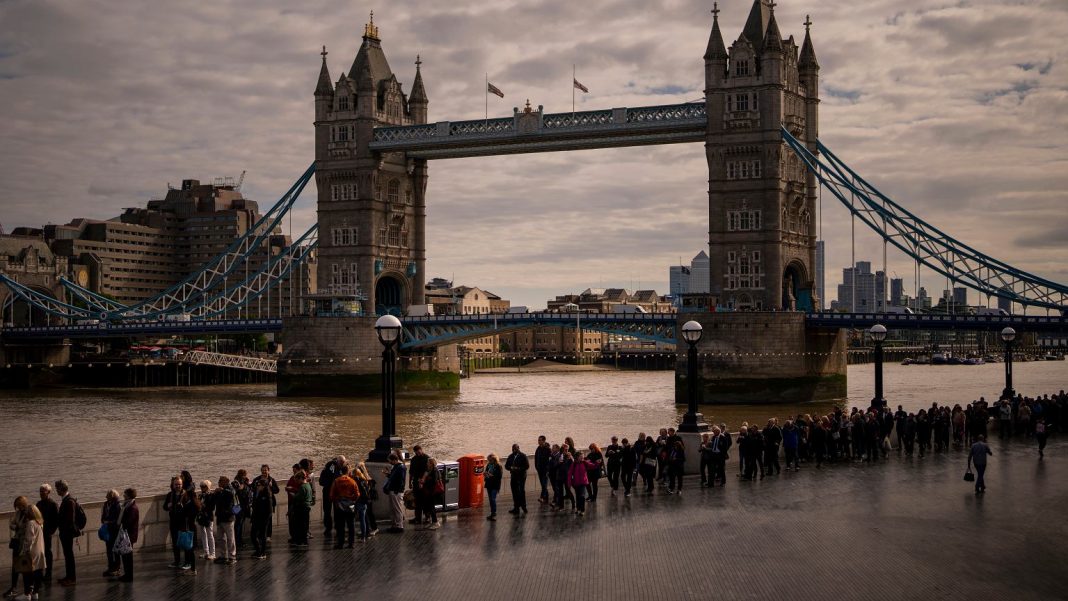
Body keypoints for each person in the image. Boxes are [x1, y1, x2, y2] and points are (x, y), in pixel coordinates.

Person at [15, 500, 45, 600]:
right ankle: (35, 593)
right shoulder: (40, 522)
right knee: (38, 572)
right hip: (40, 550)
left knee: (27, 573)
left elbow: (29, 539)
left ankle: (27, 594)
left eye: (27, 511)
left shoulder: (31, 523)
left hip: (31, 552)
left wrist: (24, 551)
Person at [54, 480, 80, 587]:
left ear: (61, 489)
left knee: (69, 555)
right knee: (68, 555)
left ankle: (72, 578)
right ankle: (68, 576)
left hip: (67, 533)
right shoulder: (67, 500)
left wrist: (64, 528)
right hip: (65, 533)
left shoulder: (69, 501)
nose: (56, 490)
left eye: (57, 488)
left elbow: (70, 519)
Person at [5, 496, 29, 599]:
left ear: (22, 504)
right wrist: (16, 527)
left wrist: (18, 527)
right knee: (15, 566)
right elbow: (11, 524)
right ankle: (13, 588)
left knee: (24, 568)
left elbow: (28, 529)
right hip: (17, 543)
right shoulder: (18, 513)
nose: (17, 508)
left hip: (24, 544)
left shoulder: (28, 514)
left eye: (18, 506)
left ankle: (27, 591)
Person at [329, 465, 359, 548]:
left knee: (340, 525)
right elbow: (357, 494)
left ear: (341, 472)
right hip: (350, 506)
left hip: (340, 506)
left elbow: (331, 495)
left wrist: (337, 500)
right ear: (348, 472)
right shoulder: (352, 481)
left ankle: (340, 543)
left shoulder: (336, 481)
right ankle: (351, 543)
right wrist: (352, 500)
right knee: (351, 525)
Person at [114, 488, 139, 582]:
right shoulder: (127, 505)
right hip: (126, 535)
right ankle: (127, 575)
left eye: (125, 494)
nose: (123, 496)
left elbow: (128, 522)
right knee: (125, 556)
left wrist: (122, 524)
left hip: (129, 536)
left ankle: (129, 576)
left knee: (128, 557)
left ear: (128, 495)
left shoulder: (132, 507)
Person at [35, 485, 58, 582]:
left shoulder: (53, 504)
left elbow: (56, 519)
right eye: (40, 491)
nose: (41, 493)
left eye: (43, 491)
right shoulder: (38, 504)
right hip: (39, 532)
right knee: (40, 553)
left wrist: (51, 531)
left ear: (48, 492)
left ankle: (48, 573)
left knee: (48, 552)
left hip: (47, 532)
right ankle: (40, 573)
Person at [250, 465, 279, 541]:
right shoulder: (257, 479)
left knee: (268, 520)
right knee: (259, 520)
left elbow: (277, 490)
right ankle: (260, 535)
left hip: (268, 503)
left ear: (268, 471)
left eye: (265, 470)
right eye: (262, 470)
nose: (264, 472)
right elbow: (252, 488)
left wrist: (271, 487)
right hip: (258, 504)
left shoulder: (271, 480)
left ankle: (268, 536)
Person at [177, 483, 201, 574]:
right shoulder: (196, 502)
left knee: (190, 548)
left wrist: (180, 507)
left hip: (188, 527)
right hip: (192, 526)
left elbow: (182, 515)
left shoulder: (189, 504)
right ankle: (193, 568)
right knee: (191, 548)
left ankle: (193, 568)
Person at [214, 476, 237, 564]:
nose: (219, 482)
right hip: (220, 518)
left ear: (226, 482)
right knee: (220, 538)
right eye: (219, 481)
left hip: (229, 518)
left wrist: (222, 490)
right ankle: (223, 556)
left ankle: (232, 557)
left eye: (221, 481)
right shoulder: (219, 491)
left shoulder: (230, 489)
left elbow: (232, 493)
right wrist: (215, 493)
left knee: (230, 539)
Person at [318, 456, 342, 539]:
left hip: (327, 491)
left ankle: (328, 528)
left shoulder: (328, 466)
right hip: (337, 493)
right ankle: (337, 528)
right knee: (337, 511)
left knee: (327, 511)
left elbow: (321, 480)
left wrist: (327, 485)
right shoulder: (341, 468)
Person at [383, 453, 407, 533]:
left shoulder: (400, 468)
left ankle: (399, 526)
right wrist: (388, 474)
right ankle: (394, 525)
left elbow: (401, 481)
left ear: (394, 460)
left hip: (396, 491)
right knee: (393, 509)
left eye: (390, 461)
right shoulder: (397, 467)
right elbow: (395, 477)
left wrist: (397, 491)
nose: (389, 462)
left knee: (397, 509)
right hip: (393, 490)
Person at [354, 463, 378, 540]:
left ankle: (372, 529)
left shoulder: (363, 479)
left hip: (366, 499)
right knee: (367, 515)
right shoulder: (366, 477)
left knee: (368, 514)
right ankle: (367, 530)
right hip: (368, 499)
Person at [100, 489, 122, 578]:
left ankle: (117, 568)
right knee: (109, 550)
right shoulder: (106, 504)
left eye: (108, 496)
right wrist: (103, 521)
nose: (106, 498)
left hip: (114, 530)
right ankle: (110, 567)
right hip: (107, 530)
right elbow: (103, 515)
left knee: (116, 549)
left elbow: (118, 520)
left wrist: (109, 522)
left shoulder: (118, 505)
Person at [249, 478, 273, 559]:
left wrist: (265, 520)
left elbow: (269, 510)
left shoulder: (267, 495)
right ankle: (259, 551)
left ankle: (261, 552)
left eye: (259, 485)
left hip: (262, 519)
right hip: (256, 518)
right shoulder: (258, 493)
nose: (257, 486)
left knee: (261, 536)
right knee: (254, 535)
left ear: (264, 486)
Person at [505, 444, 530, 514]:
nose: (514, 450)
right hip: (513, 476)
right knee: (514, 492)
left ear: (518, 448)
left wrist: (518, 468)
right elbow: (506, 466)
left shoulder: (523, 456)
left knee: (521, 492)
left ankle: (524, 507)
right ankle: (516, 508)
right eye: (513, 449)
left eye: (515, 449)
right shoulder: (510, 456)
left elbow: (527, 466)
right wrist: (510, 468)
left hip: (521, 477)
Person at [290, 471, 313, 546]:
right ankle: (303, 541)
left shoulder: (302, 487)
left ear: (300, 478)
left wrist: (292, 494)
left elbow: (298, 497)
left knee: (300, 525)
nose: (296, 482)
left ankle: (301, 541)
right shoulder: (308, 485)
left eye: (296, 480)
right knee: (304, 525)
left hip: (302, 508)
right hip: (307, 507)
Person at [195, 480, 216, 561]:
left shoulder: (211, 495)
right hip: (201, 517)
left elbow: (212, 507)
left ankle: (213, 553)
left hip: (208, 517)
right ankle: (206, 552)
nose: (202, 488)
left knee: (210, 534)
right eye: (201, 486)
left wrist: (203, 506)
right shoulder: (200, 495)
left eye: (204, 486)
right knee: (203, 534)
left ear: (208, 487)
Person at [408, 446, 429, 526]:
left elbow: (427, 470)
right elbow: (411, 472)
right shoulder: (414, 459)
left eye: (418, 451)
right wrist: (410, 482)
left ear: (421, 450)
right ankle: (417, 517)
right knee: (417, 501)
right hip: (416, 482)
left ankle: (427, 517)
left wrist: (423, 480)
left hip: (425, 483)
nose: (417, 453)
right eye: (416, 452)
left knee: (425, 500)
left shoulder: (427, 458)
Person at [568, 451, 594, 515]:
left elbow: (592, 466)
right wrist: (569, 483)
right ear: (577, 457)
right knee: (578, 496)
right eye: (581, 456)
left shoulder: (584, 463)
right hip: (576, 483)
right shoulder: (574, 464)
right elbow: (569, 474)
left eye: (583, 456)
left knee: (582, 496)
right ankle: (578, 508)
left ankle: (582, 510)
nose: (582, 457)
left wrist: (597, 463)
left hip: (583, 482)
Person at [231, 470, 252, 549]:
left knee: (240, 523)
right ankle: (238, 541)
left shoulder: (244, 482)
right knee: (238, 524)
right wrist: (243, 485)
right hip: (238, 506)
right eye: (244, 475)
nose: (245, 476)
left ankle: (239, 540)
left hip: (243, 506)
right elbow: (238, 492)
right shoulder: (236, 483)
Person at [420, 458, 441, 530]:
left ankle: (436, 522)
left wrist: (425, 480)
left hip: (432, 492)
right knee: (430, 507)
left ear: (431, 463)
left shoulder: (434, 470)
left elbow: (434, 481)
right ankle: (433, 522)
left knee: (432, 507)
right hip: (429, 491)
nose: (427, 464)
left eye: (428, 463)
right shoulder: (430, 470)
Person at [484, 454, 503, 521]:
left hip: (495, 485)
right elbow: (486, 472)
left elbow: (499, 476)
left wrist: (491, 475)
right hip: (489, 484)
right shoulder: (489, 465)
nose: (488, 461)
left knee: (493, 498)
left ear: (494, 459)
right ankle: (492, 513)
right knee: (490, 499)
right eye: (488, 460)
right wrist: (486, 474)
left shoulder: (498, 466)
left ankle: (494, 513)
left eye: (490, 460)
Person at [534, 436, 551, 504]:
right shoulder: (538, 449)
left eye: (540, 440)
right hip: (539, 469)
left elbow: (550, 460)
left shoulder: (547, 449)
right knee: (542, 484)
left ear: (544, 441)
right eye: (538, 440)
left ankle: (542, 497)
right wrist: (536, 466)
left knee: (544, 484)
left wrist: (548, 469)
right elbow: (536, 458)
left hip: (545, 470)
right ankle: (546, 498)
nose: (539, 441)